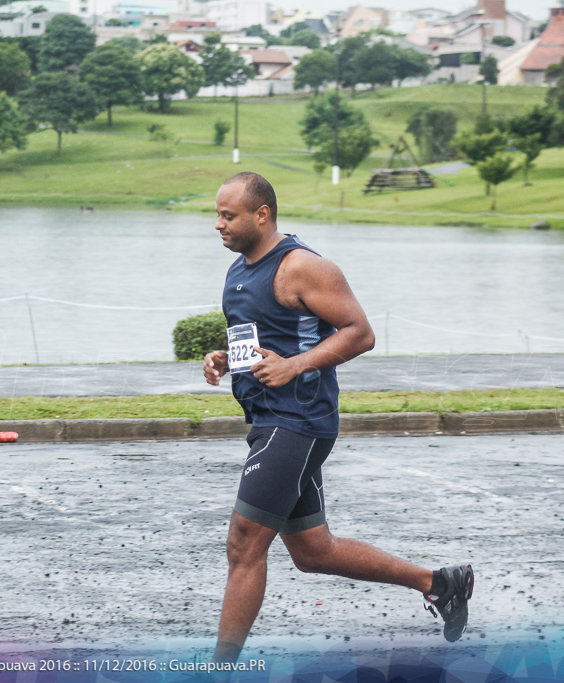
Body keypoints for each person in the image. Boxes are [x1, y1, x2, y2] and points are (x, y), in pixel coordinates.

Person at [203, 172, 474, 663]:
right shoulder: (241, 268)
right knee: (313, 552)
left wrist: (296, 366)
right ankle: (439, 584)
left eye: (228, 215)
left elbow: (360, 333)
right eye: (217, 214)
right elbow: (273, 338)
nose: (217, 224)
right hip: (268, 421)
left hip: (298, 422)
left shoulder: (304, 266)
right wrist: (227, 358)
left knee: (244, 544)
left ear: (261, 214)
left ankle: (218, 670)